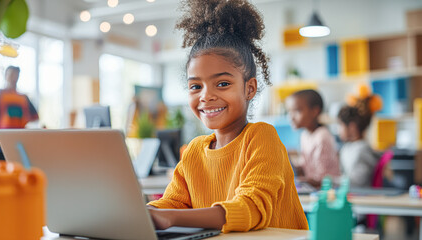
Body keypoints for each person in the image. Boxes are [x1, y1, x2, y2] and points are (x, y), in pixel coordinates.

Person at [147, 0, 308, 233]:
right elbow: (173, 203)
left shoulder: (262, 137)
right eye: (195, 86)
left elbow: (249, 208)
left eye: (222, 84)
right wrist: (144, 212)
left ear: (249, 89)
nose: (206, 96)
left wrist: (170, 217)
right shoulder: (193, 152)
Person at [285, 89, 340, 188]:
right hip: (314, 189)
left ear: (315, 111)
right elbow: (304, 169)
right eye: (289, 112)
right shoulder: (305, 136)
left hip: (329, 193)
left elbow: (323, 180)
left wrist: (297, 180)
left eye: (297, 111)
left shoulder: (322, 137)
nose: (291, 117)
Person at [337, 86, 382, 188]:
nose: (338, 130)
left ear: (352, 127)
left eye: (340, 125)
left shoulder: (363, 150)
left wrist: (329, 181)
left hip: (361, 197)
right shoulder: (346, 148)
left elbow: (357, 181)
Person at [0, 66, 39, 160]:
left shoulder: (23, 97)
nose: (13, 77)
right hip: (2, 136)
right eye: (11, 74)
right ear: (6, 75)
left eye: (16, 75)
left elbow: (35, 116)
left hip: (20, 137)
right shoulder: (0, 95)